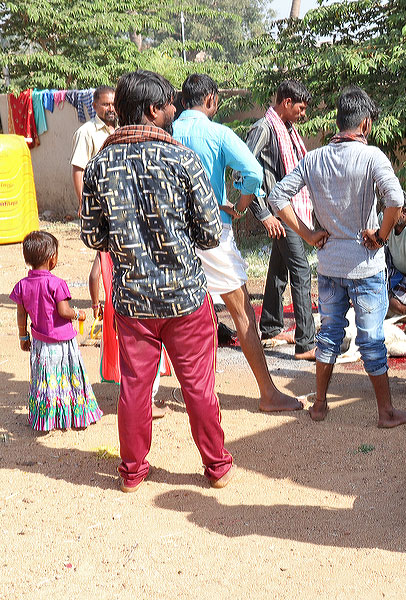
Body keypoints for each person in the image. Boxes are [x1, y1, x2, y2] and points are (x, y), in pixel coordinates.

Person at [81, 70, 234, 493]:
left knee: (135, 388)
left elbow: (93, 236)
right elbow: (210, 233)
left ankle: (132, 472)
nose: (174, 110)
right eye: (169, 104)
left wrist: (127, 240)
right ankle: (217, 467)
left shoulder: (99, 165)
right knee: (198, 387)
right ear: (153, 110)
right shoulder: (183, 160)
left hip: (133, 300)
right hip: (185, 298)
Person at [266, 86, 406, 429]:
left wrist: (308, 234)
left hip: (329, 264)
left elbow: (277, 197)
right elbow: (395, 200)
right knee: (371, 338)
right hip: (365, 266)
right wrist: (380, 236)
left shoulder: (314, 158)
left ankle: (319, 404)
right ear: (365, 124)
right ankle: (386, 412)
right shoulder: (372, 157)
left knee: (329, 334)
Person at [172, 74, 302, 413]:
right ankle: (268, 394)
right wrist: (241, 205)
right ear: (211, 100)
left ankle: (182, 391)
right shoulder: (217, 133)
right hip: (212, 230)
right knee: (242, 311)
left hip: (172, 234)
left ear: (183, 101)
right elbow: (253, 172)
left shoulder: (167, 130)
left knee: (178, 315)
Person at [245, 80, 317, 360]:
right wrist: (263, 214)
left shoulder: (287, 129)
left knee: (279, 269)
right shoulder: (263, 129)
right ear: (286, 103)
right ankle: (306, 344)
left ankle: (271, 327)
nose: (303, 114)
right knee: (301, 270)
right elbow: (245, 171)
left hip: (290, 208)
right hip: (279, 211)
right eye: (300, 108)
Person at [11, 231, 103, 432]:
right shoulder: (57, 284)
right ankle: (74, 415)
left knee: (46, 381)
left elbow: (21, 314)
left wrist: (23, 336)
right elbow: (64, 311)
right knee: (67, 378)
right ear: (52, 258)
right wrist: (79, 314)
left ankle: (46, 418)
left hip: (40, 345)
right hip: (62, 344)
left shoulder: (22, 286)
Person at [71, 86, 116, 322]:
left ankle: (105, 303)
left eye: (113, 104)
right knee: (102, 255)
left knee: (108, 254)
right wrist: (82, 203)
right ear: (95, 105)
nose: (110, 108)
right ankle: (97, 305)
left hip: (117, 203)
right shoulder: (86, 132)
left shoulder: (119, 129)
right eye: (106, 104)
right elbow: (78, 169)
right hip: (98, 205)